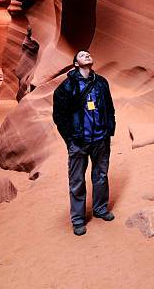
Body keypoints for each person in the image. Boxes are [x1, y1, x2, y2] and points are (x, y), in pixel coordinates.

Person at [52, 50, 116, 236]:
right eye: (82, 55)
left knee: (101, 176)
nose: (87, 55)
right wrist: (70, 140)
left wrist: (109, 130)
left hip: (101, 139)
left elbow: (110, 108)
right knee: (77, 181)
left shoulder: (101, 83)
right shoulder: (66, 87)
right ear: (75, 64)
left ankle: (100, 209)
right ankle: (78, 219)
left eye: (88, 54)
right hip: (79, 142)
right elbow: (59, 116)